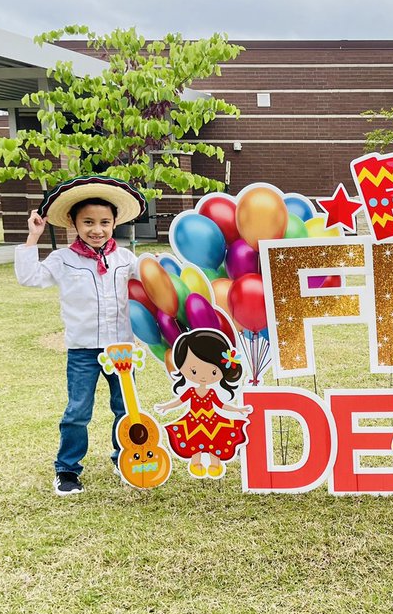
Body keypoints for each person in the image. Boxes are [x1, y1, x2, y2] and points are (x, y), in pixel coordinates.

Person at [15, 175, 146, 495]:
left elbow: (151, 285)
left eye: (104, 222)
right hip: (83, 349)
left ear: (115, 223)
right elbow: (30, 277)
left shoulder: (126, 259)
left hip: (121, 349)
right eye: (88, 222)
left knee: (125, 408)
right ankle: (67, 470)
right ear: (73, 222)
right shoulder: (64, 259)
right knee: (77, 411)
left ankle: (125, 456)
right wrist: (34, 237)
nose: (96, 229)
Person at [154, 328, 251, 478]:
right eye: (193, 371)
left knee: (215, 443)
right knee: (195, 443)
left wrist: (238, 409)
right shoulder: (191, 392)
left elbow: (221, 405)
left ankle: (215, 465)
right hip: (193, 421)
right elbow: (180, 401)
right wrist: (165, 406)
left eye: (213, 372)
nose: (204, 376)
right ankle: (196, 464)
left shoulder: (212, 393)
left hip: (212, 421)